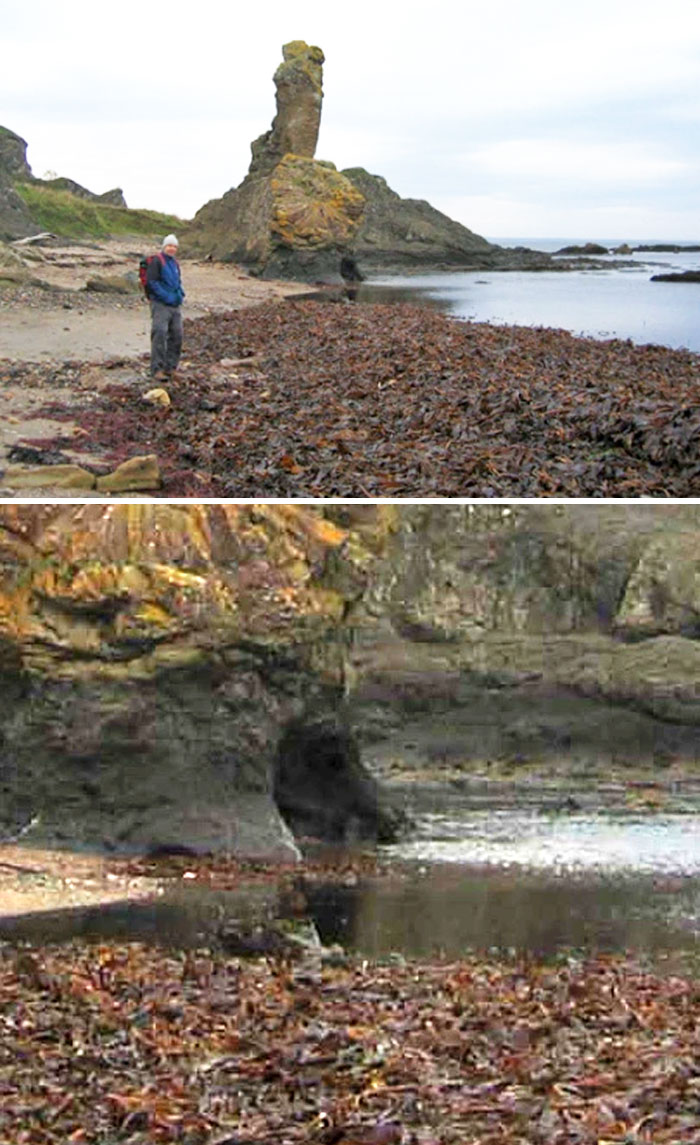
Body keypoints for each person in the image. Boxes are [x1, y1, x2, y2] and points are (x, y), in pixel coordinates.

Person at [146, 234, 185, 380]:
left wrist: (180, 295)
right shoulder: (157, 261)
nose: (172, 249)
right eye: (169, 246)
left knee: (177, 335)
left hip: (175, 305)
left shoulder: (174, 263)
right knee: (160, 334)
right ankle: (157, 369)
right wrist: (166, 296)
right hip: (160, 304)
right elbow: (152, 283)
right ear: (164, 246)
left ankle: (171, 367)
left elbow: (177, 282)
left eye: (174, 246)